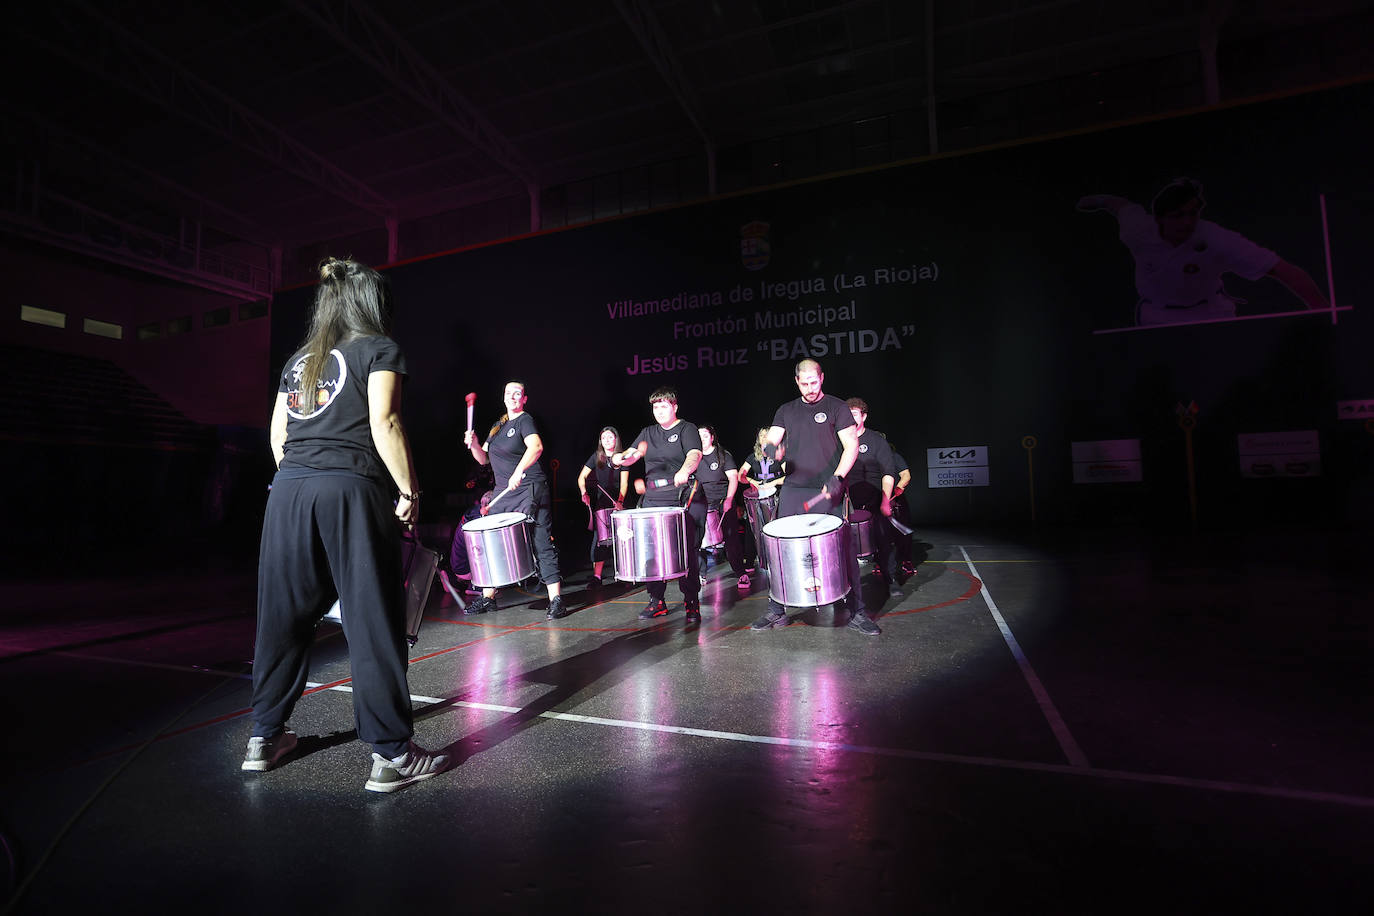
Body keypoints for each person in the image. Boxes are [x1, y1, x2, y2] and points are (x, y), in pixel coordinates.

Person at [246, 257, 448, 793]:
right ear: (370, 301)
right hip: (350, 489)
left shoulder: (299, 361)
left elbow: (276, 436)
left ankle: (265, 737)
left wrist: (301, 478)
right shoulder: (380, 349)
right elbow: (385, 422)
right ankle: (391, 754)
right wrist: (409, 491)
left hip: (288, 492)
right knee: (371, 618)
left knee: (282, 617)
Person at [1077, 178, 1329, 326]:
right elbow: (1119, 205)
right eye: (1178, 216)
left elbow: (1281, 269)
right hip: (1156, 316)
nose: (1188, 222)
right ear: (1159, 218)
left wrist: (1321, 310)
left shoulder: (1216, 238)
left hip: (1210, 315)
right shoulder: (1138, 231)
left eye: (1193, 213)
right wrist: (1097, 200)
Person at [750, 359, 881, 636]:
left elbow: (851, 446)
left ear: (822, 378)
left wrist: (838, 478)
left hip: (829, 487)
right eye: (804, 383)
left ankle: (857, 611)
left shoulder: (837, 407)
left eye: (814, 382)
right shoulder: (786, 410)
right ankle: (776, 609)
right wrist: (774, 451)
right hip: (795, 489)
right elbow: (771, 443)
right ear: (797, 381)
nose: (810, 388)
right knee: (780, 550)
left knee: (843, 549)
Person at [462, 381, 570, 619]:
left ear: (524, 399)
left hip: (530, 486)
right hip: (505, 490)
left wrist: (518, 471)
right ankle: (488, 598)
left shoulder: (525, 420)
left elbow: (537, 447)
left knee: (541, 540)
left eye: (517, 393)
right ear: (503, 397)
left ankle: (557, 599)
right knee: (492, 543)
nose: (512, 396)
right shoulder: (497, 427)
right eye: (508, 393)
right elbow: (483, 460)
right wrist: (475, 444)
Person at [613, 386, 705, 624]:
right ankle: (657, 601)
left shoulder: (687, 429)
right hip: (654, 499)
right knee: (650, 551)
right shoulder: (647, 432)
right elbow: (632, 455)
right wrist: (619, 458)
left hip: (683, 496)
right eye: (655, 407)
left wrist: (685, 470)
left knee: (686, 552)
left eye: (664, 406)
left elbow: (694, 455)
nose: (659, 411)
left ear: (675, 407)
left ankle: (691, 601)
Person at [844, 397, 902, 600]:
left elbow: (888, 472)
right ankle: (844, 585)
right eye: (846, 415)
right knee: (842, 544)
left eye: (854, 414)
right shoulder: (839, 441)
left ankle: (891, 579)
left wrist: (885, 500)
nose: (850, 419)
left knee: (883, 540)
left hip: (874, 499)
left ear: (864, 416)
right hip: (847, 503)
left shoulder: (877, 441)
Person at [694, 423, 746, 588]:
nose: (702, 439)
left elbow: (733, 478)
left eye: (704, 435)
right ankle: (701, 574)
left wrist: (730, 499)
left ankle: (740, 572)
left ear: (712, 437)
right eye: (698, 436)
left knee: (732, 540)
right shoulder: (693, 457)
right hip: (701, 503)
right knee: (697, 542)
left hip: (722, 501)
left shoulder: (723, 455)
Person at [579, 426, 628, 586]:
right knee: (599, 540)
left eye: (610, 437)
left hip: (618, 503)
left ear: (616, 439)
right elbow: (582, 477)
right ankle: (597, 577)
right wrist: (584, 492)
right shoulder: (596, 457)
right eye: (604, 437)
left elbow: (624, 483)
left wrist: (620, 501)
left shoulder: (622, 458)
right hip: (601, 505)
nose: (607, 440)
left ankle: (625, 573)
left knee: (622, 538)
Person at [738, 426, 788, 581]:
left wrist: (772, 483)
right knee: (752, 528)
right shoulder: (752, 457)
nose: (764, 439)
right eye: (762, 436)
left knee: (777, 528)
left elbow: (790, 476)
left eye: (767, 436)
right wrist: (752, 481)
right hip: (758, 498)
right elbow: (741, 475)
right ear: (758, 440)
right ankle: (751, 560)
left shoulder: (780, 456)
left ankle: (782, 559)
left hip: (776, 496)